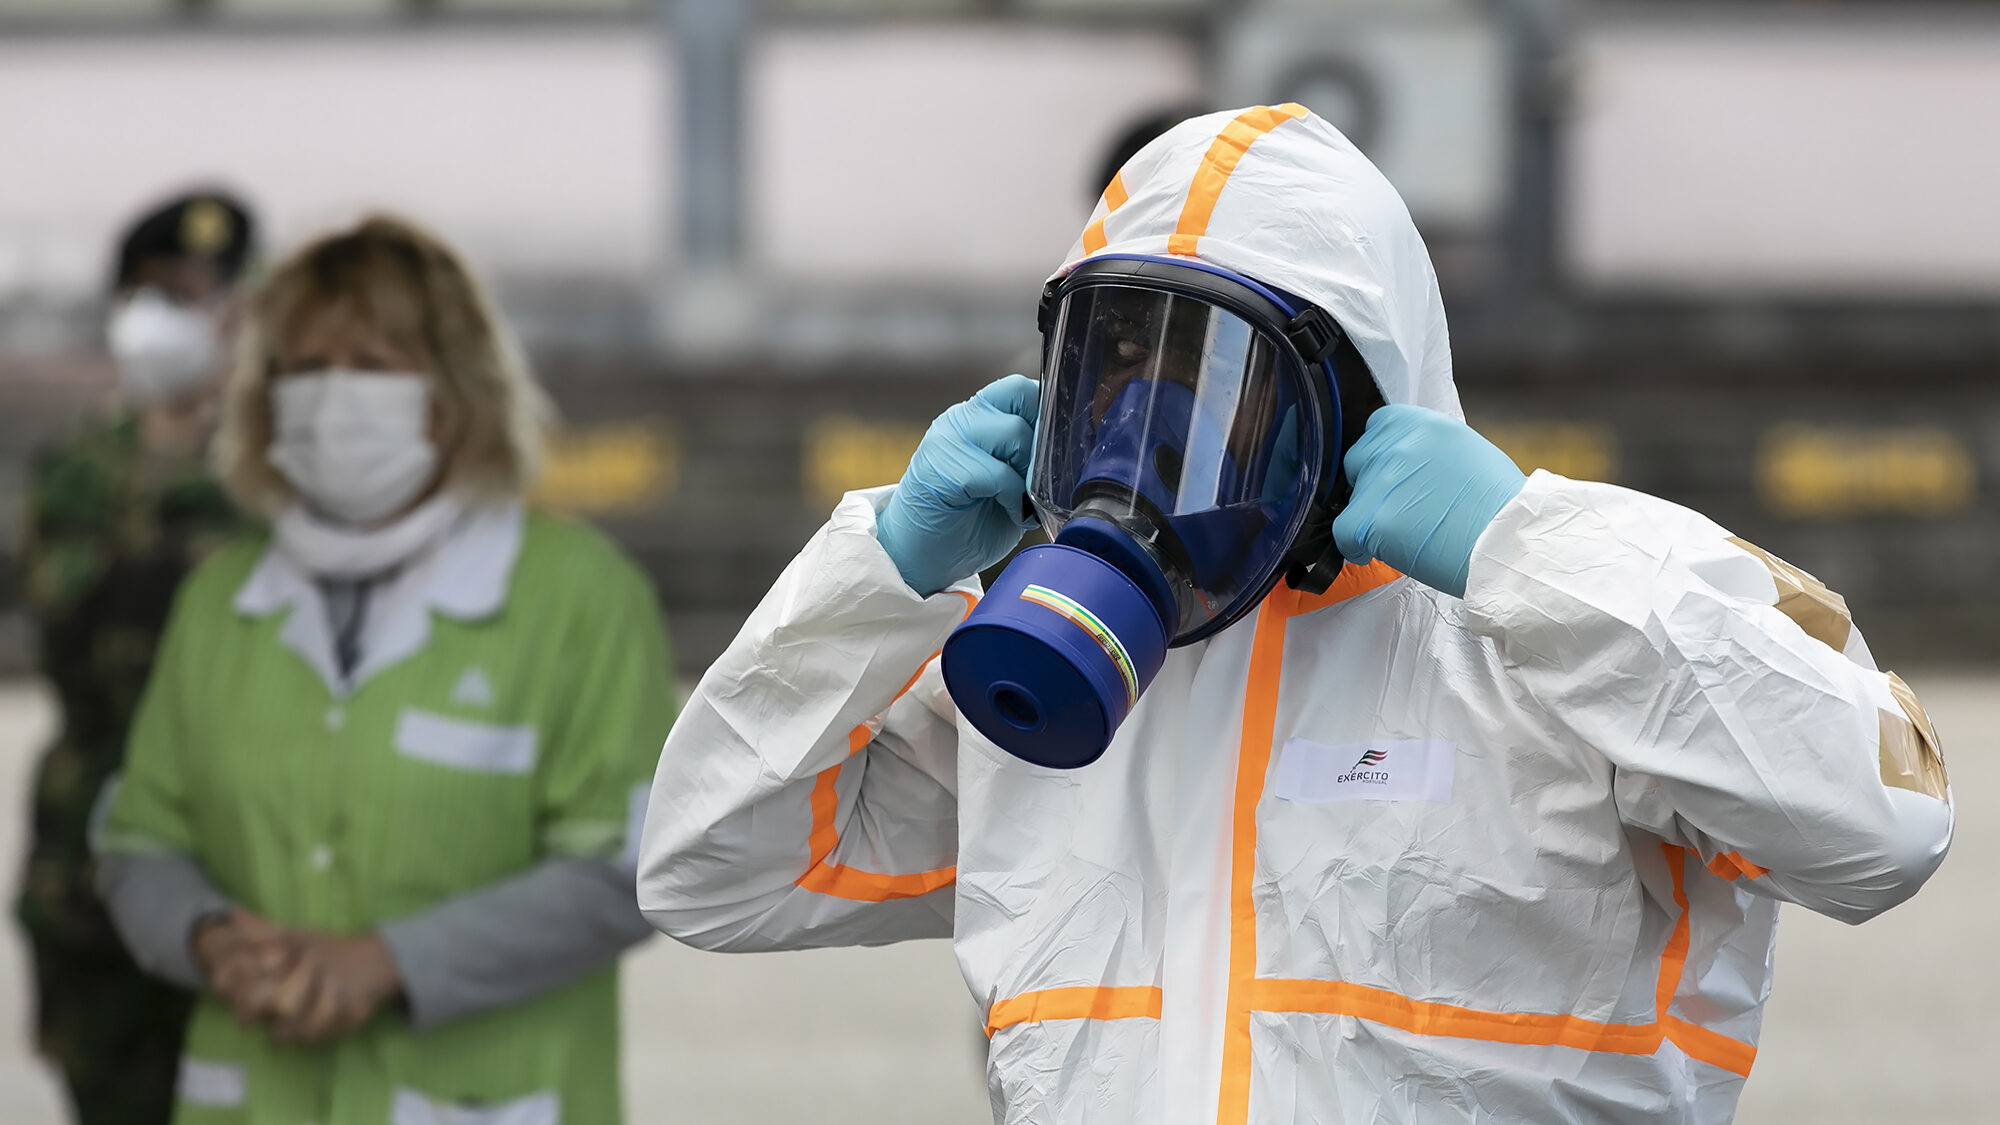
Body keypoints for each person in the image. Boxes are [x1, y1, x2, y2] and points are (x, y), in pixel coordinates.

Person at [637, 105, 1952, 1124]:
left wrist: (1524, 555)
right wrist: (880, 573)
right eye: (1121, 362)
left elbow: (1877, 824)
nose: (1153, 424)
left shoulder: (1566, 614)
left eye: (1218, 374)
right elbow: (708, 868)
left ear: (1358, 393)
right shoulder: (1055, 690)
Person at [94, 215, 674, 1124]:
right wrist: (211, 940)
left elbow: (628, 866)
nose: (334, 397)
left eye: (370, 365)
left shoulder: (583, 598)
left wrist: (385, 961)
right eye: (306, 369)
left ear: (454, 390)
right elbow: (137, 840)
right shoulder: (218, 598)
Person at [16, 189, 255, 1125]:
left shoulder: (280, 475)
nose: (179, 322)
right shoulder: (79, 470)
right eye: (161, 296)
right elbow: (68, 617)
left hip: (242, 855)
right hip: (88, 862)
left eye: (204, 297)